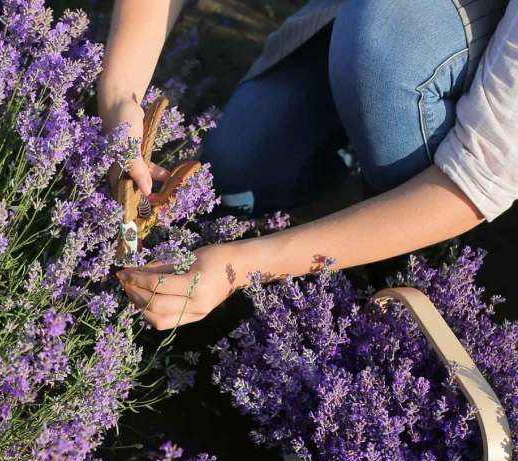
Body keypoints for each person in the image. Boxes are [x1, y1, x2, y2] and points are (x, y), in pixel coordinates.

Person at [99, 0, 518, 331]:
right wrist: (121, 96)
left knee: (384, 41)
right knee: (232, 173)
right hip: (376, 23)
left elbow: (479, 176)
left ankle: (410, 263)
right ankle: (364, 129)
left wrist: (236, 269)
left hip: (407, 40)